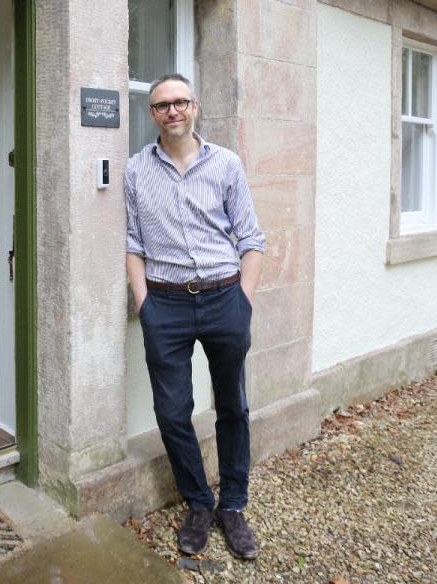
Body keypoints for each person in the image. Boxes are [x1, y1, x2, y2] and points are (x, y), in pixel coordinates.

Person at [124, 73, 264, 560]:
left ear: (195, 106)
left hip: (225, 297)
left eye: (180, 102)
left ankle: (234, 506)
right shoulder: (136, 170)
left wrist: (242, 302)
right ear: (152, 113)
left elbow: (251, 239)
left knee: (232, 406)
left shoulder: (226, 164)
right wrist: (145, 304)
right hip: (165, 304)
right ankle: (200, 503)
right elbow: (133, 245)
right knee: (171, 411)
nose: (173, 111)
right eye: (162, 105)